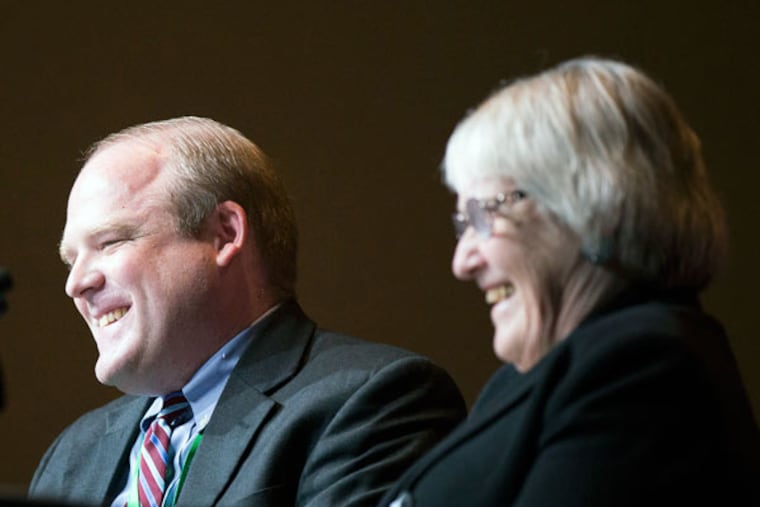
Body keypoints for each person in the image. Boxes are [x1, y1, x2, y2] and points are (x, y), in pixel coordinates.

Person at [28, 117, 466, 507]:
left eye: (110, 242)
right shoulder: (72, 455)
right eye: (71, 261)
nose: (76, 283)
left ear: (224, 234)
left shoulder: (371, 402)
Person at [380, 57, 759, 507]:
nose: (462, 262)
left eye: (484, 215)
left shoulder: (639, 367)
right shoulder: (530, 375)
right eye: (462, 224)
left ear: (594, 207)